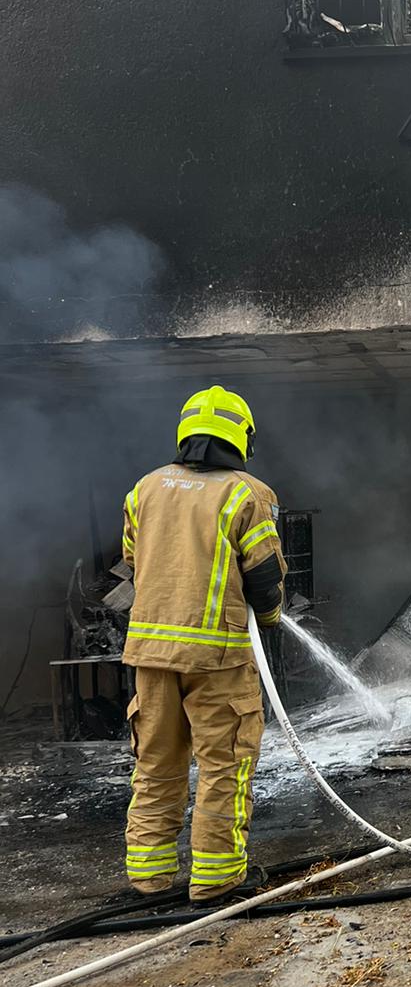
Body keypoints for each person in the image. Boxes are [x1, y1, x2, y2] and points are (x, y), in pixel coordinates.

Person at [120, 386, 287, 903]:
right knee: (223, 766)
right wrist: (271, 617)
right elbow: (262, 577)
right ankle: (215, 880)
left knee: (155, 765)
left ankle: (148, 878)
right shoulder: (247, 494)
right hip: (217, 658)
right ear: (241, 437)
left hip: (150, 655)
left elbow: (132, 561)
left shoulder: (144, 489)